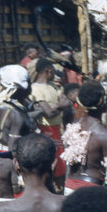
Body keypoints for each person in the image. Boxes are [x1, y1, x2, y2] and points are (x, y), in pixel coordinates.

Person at [62, 81, 107, 192]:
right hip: (92, 191)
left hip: (69, 187)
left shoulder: (73, 127)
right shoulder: (104, 136)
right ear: (104, 104)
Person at [30, 58, 71, 187]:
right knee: (49, 163)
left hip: (58, 129)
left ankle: (59, 190)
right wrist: (59, 106)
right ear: (48, 70)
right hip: (45, 130)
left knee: (60, 164)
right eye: (53, 71)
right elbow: (48, 112)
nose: (54, 74)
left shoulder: (54, 86)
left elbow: (67, 103)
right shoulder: (36, 89)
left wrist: (55, 107)